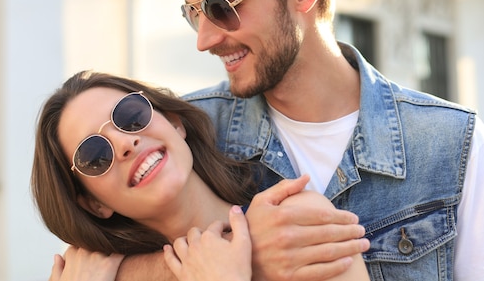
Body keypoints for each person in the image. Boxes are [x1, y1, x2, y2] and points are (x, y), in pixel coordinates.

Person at [116, 0, 484, 280]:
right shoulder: (187, 135)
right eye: (194, 13)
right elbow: (96, 267)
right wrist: (242, 250)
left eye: (221, 7)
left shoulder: (450, 144)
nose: (205, 39)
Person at [31, 70, 370, 281]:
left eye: (130, 115)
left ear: (175, 124)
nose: (124, 144)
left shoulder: (298, 221)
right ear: (93, 203)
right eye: (94, 154)